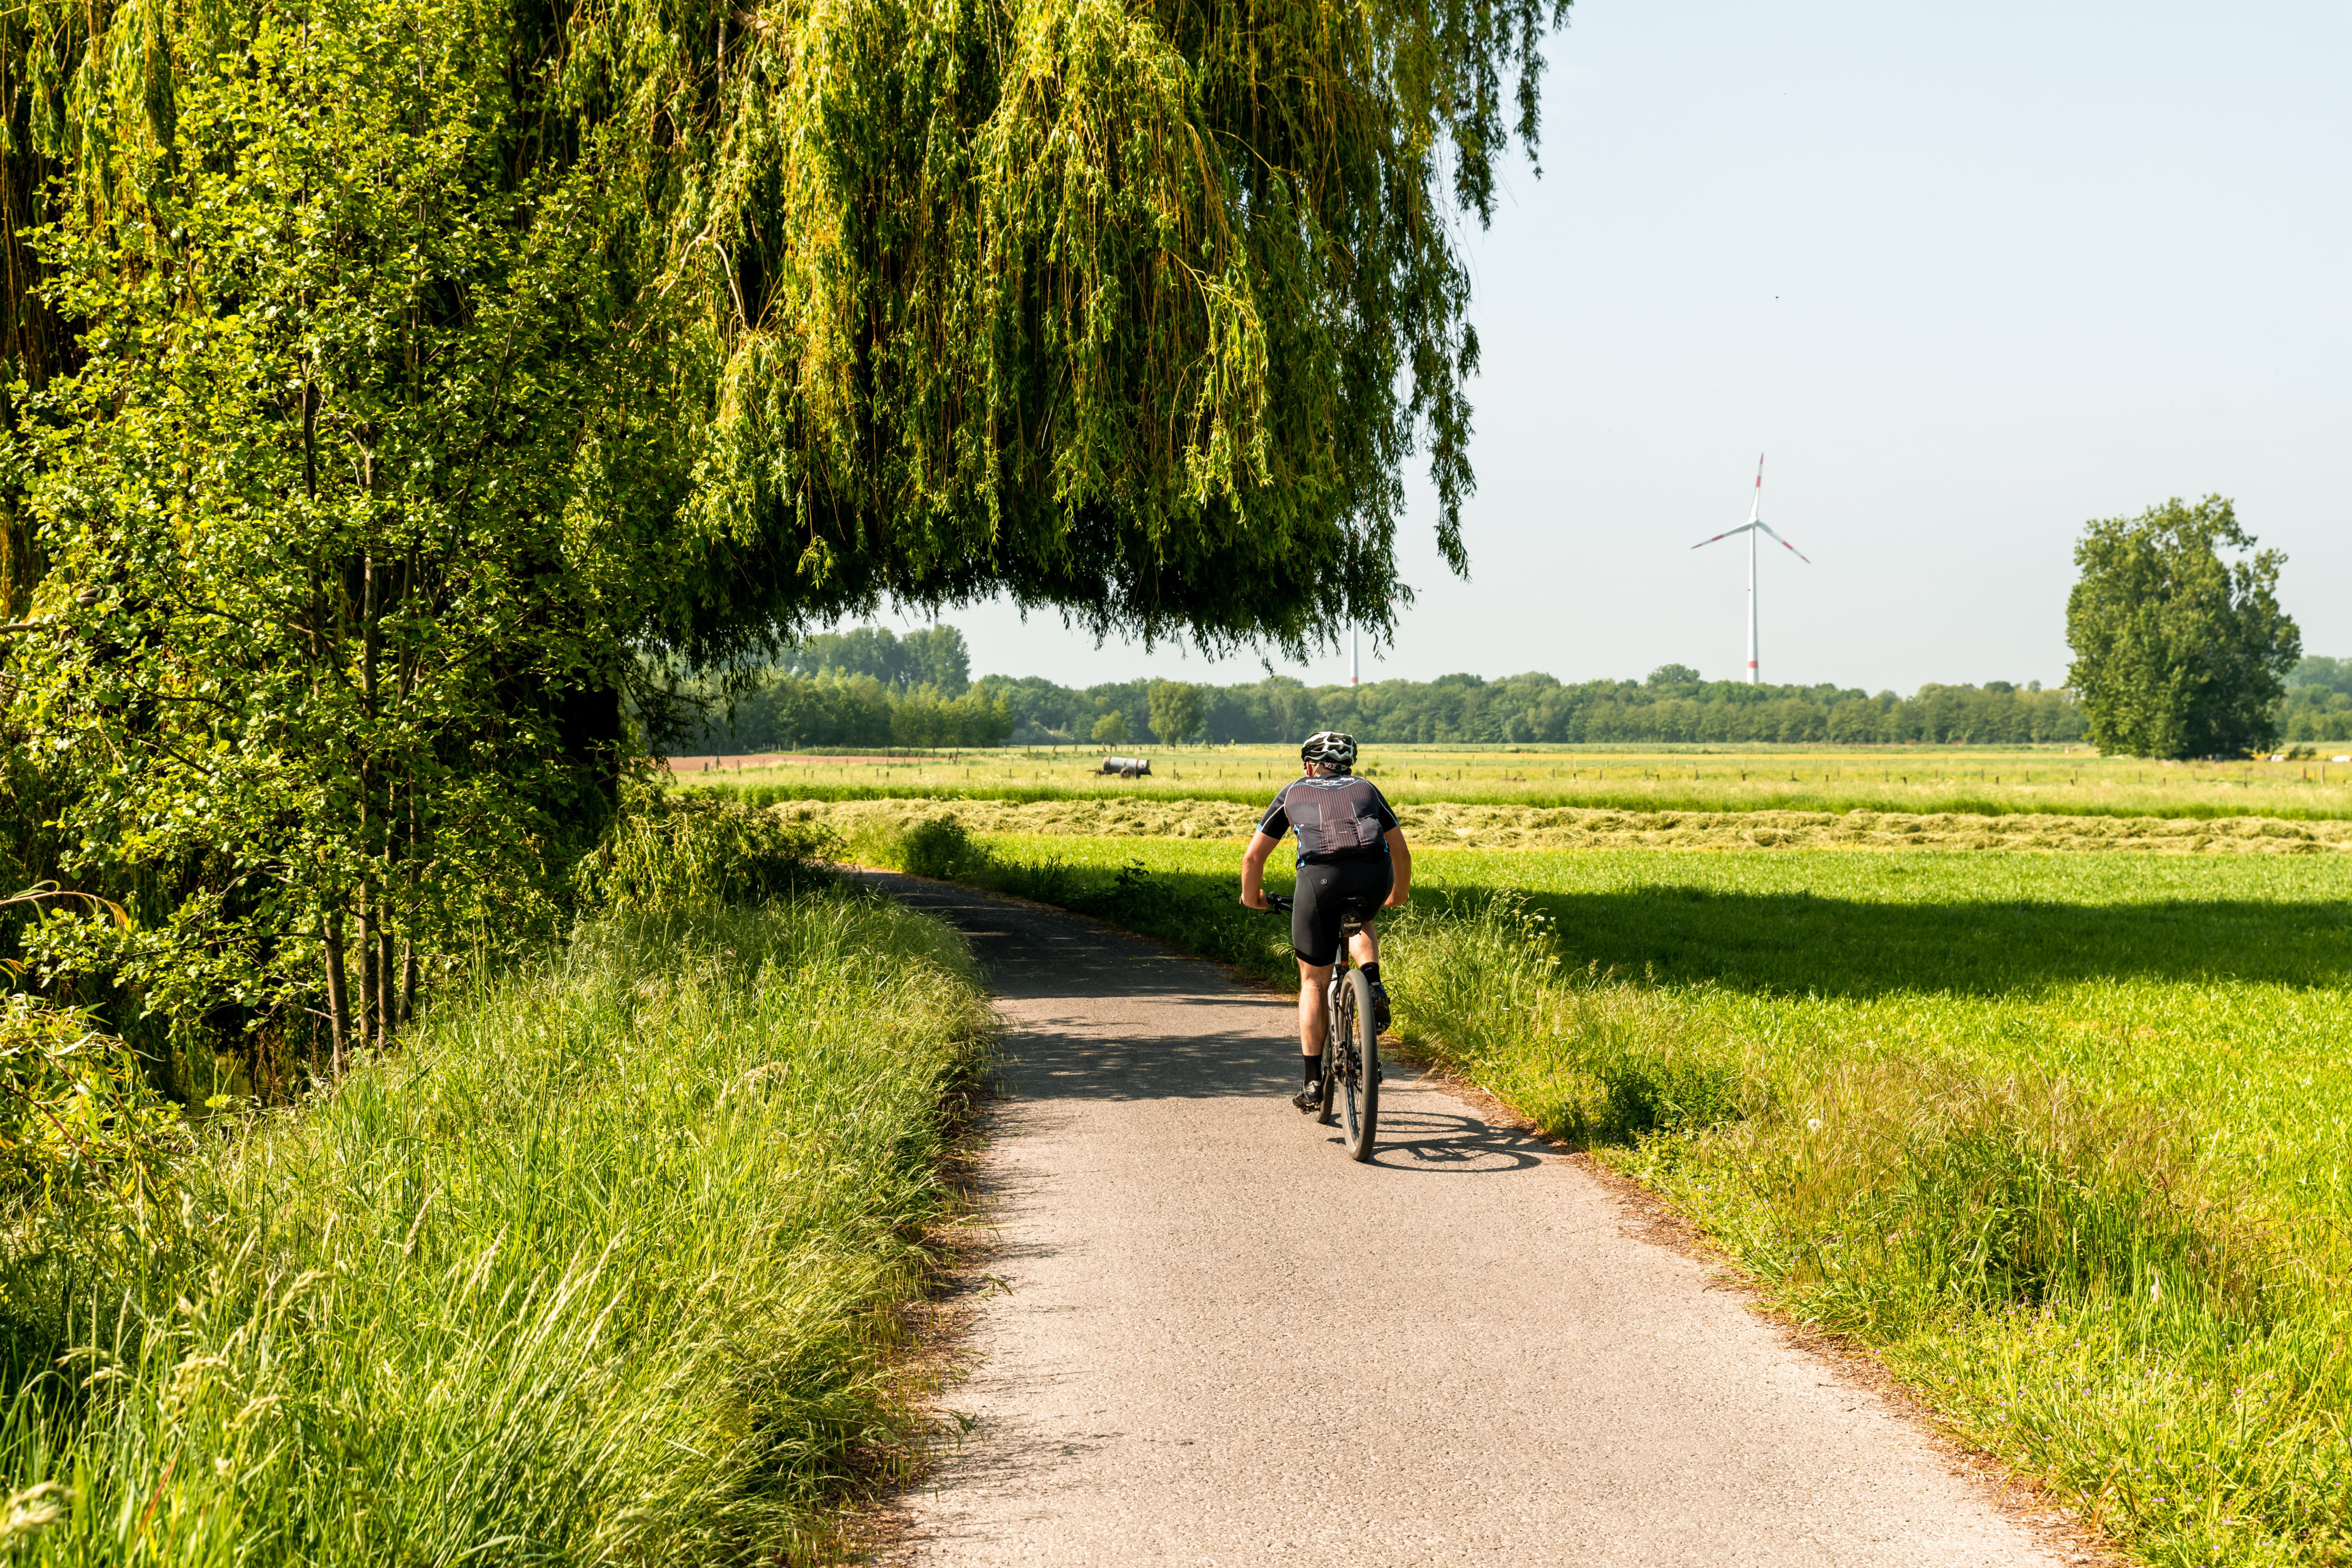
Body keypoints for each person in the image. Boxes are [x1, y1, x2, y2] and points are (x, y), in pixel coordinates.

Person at [1238, 731, 1411, 1112]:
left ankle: (1313, 1080)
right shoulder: (1366, 787)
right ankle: (1373, 980)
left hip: (1320, 880)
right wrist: (1396, 895)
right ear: (1347, 763)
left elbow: (1253, 859)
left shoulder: (1294, 791)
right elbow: (1400, 850)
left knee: (1314, 981)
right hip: (1372, 875)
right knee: (1361, 920)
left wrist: (1254, 899)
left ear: (1311, 765)